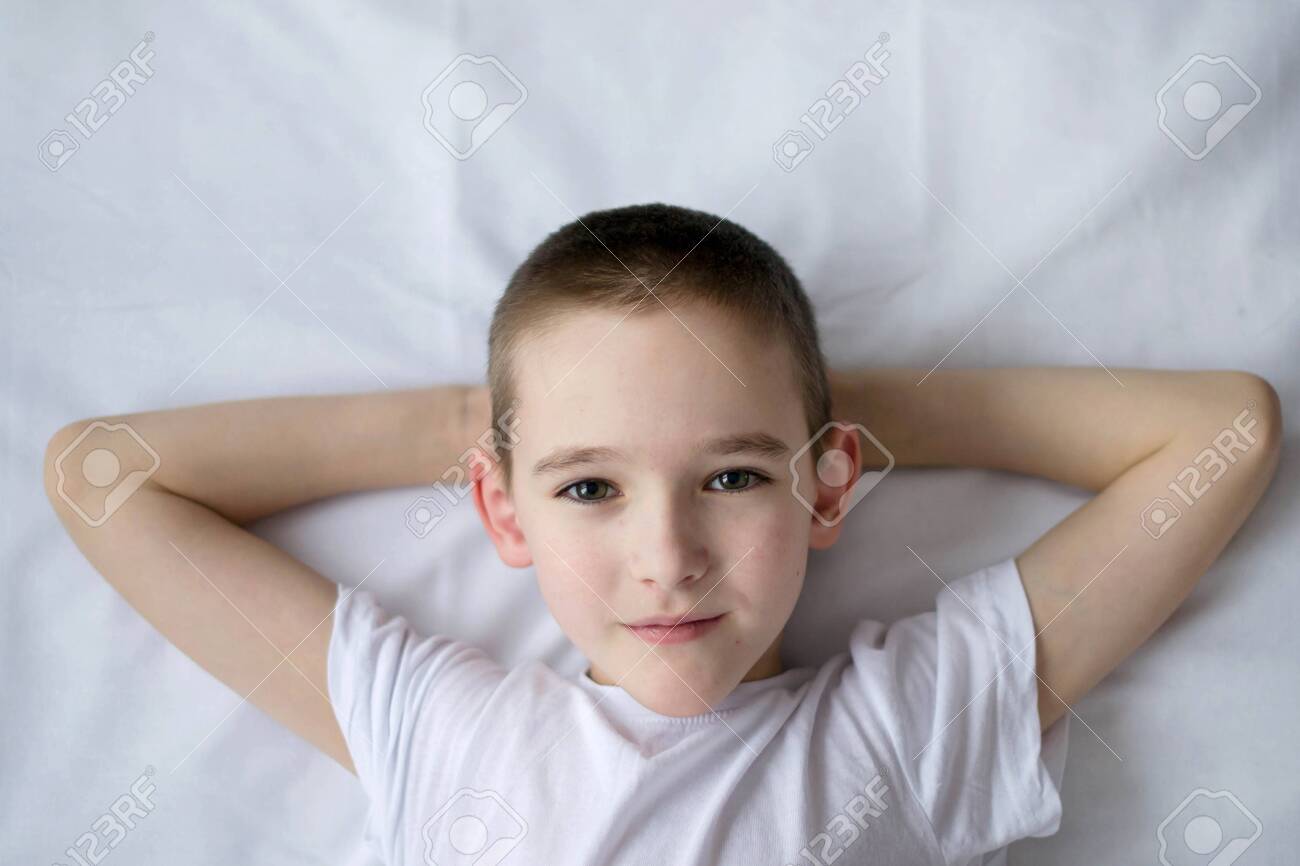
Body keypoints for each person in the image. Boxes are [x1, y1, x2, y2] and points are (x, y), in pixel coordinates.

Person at [44, 203, 1282, 865]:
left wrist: (812, 408)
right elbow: (103, 479)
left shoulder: (914, 726)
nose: (668, 554)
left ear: (830, 486)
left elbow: (1223, 429)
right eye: (590, 488)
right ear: (498, 507)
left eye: (733, 475)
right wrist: (498, 422)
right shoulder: (438, 730)